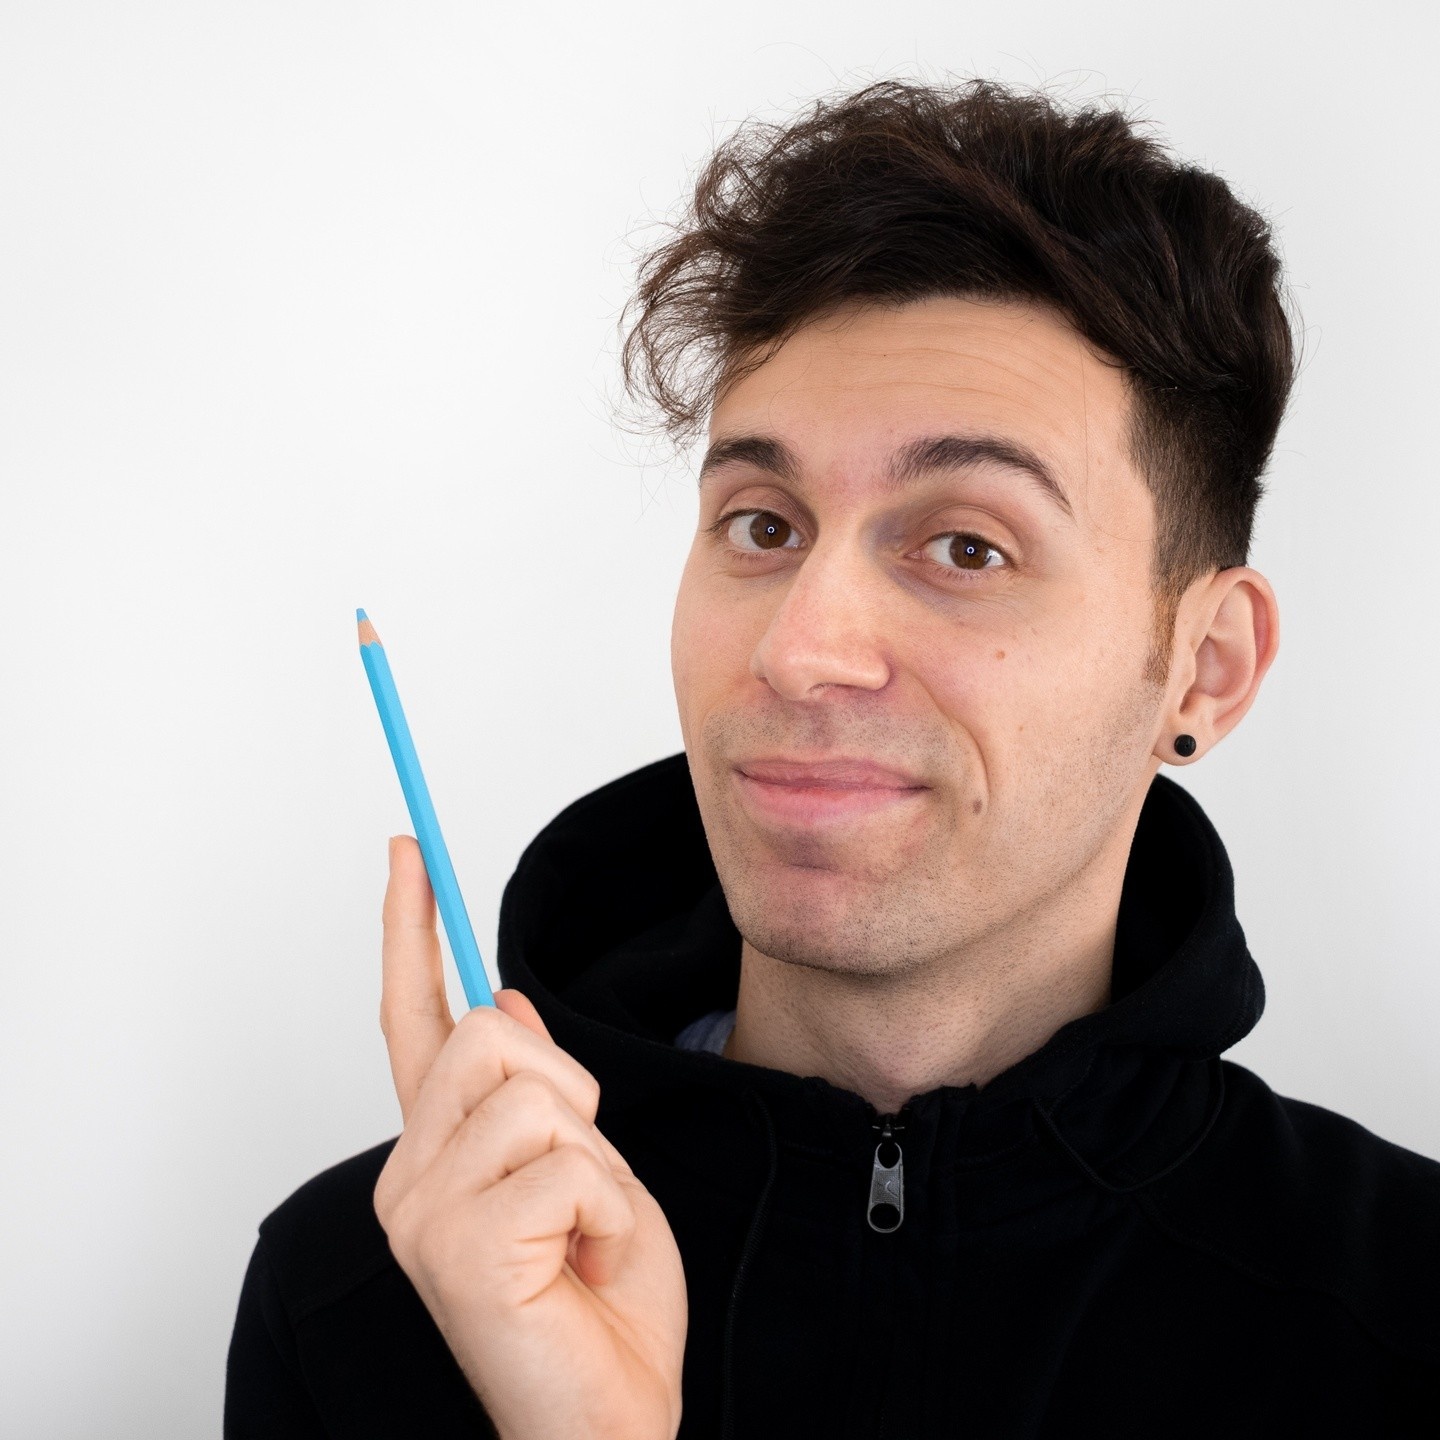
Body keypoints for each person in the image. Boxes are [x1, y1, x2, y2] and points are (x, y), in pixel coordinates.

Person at [224, 77, 1440, 1438]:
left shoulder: (1405, 1311)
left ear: (1203, 667)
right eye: (763, 525)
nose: (800, 650)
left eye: (967, 545)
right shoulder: (369, 1293)